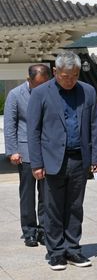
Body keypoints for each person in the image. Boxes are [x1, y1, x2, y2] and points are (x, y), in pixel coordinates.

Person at [27, 51, 97, 270]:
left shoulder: (88, 92)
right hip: (51, 161)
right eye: (65, 76)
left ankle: (73, 249)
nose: (70, 80)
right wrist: (37, 163)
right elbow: (34, 131)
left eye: (74, 75)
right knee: (52, 208)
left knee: (74, 206)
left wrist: (96, 155)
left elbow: (95, 126)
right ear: (55, 72)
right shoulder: (41, 93)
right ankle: (56, 252)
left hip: (79, 159)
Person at [4, 64, 51, 247]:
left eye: (44, 84)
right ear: (29, 80)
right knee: (27, 194)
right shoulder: (15, 95)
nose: (41, 88)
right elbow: (10, 124)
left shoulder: (51, 93)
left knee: (46, 194)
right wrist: (12, 151)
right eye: (37, 84)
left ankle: (44, 230)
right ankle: (29, 231)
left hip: (47, 152)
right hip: (25, 153)